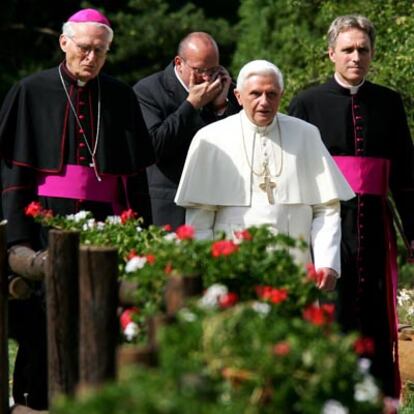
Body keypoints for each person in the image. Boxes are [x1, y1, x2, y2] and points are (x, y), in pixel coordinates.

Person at [0, 8, 154, 411]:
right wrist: (17, 239)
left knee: (101, 317)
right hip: (43, 222)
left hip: (106, 226)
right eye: (84, 48)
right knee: (42, 321)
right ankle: (36, 400)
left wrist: (142, 233)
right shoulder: (31, 91)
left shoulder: (120, 95)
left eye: (100, 52)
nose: (91, 58)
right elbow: (16, 174)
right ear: (64, 43)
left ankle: (99, 399)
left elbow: (134, 177)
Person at [288, 15, 414, 399]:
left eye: (363, 49)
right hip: (327, 223)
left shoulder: (389, 103)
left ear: (372, 53)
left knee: (376, 307)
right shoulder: (306, 103)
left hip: (375, 224)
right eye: (347, 49)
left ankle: (376, 395)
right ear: (331, 53)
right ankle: (329, 390)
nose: (355, 57)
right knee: (334, 306)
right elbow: (294, 173)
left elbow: (406, 174)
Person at [175, 59, 355, 291]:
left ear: (281, 95)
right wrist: (205, 273)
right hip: (234, 268)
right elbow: (199, 221)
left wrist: (327, 262)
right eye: (255, 94)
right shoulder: (210, 139)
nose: (264, 102)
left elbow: (326, 208)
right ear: (238, 96)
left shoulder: (306, 135)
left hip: (296, 268)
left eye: (271, 94)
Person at [133, 32, 240, 229]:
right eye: (200, 70)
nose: (207, 77)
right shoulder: (148, 91)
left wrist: (221, 109)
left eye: (214, 69)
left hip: (218, 201)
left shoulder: (227, 91)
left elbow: (239, 147)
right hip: (170, 205)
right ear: (179, 63)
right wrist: (191, 105)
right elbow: (154, 147)